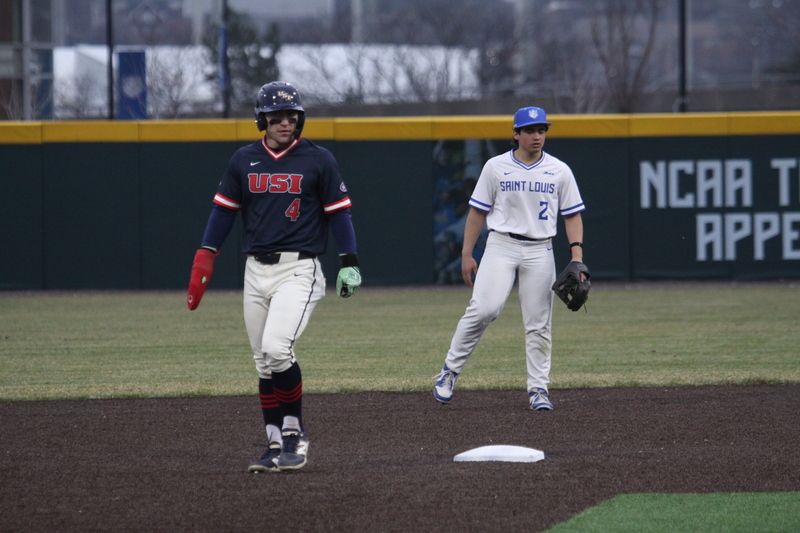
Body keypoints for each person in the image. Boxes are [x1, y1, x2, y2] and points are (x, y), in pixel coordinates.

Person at [186, 81, 362, 472]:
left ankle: (295, 436)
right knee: (263, 362)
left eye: (292, 116)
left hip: (299, 269)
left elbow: (339, 212)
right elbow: (224, 211)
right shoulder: (243, 159)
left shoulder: (318, 159)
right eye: (276, 116)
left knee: (277, 349)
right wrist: (205, 254)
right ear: (261, 119)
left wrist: (349, 259)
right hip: (256, 270)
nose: (285, 122)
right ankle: (272, 443)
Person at [433, 106, 586, 411]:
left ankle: (539, 389)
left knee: (539, 323)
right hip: (501, 245)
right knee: (484, 309)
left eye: (541, 130)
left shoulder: (559, 170)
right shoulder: (495, 166)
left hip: (540, 249)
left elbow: (572, 215)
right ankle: (449, 372)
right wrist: (467, 254)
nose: (536, 136)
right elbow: (477, 212)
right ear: (516, 134)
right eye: (529, 130)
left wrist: (577, 257)